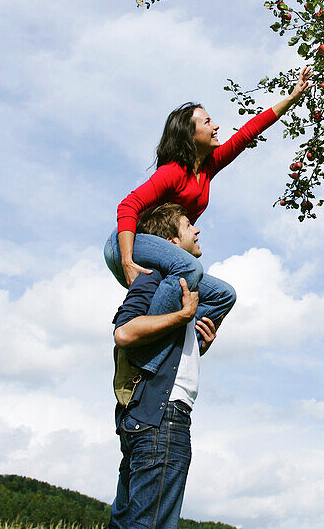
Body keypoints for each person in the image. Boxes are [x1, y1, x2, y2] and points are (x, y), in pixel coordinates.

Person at [103, 67, 311, 374]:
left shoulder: (208, 167)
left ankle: (176, 357)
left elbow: (248, 132)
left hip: (162, 255)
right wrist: (129, 261)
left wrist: (292, 98)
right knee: (190, 268)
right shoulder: (173, 171)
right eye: (208, 122)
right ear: (190, 135)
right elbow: (127, 207)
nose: (216, 126)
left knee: (222, 295)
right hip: (129, 243)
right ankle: (143, 357)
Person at [108, 203, 220, 529]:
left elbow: (162, 351)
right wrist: (183, 317)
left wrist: (198, 344)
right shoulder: (154, 279)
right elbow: (125, 333)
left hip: (147, 417)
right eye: (188, 225)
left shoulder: (177, 292)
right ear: (170, 243)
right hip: (163, 418)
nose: (197, 230)